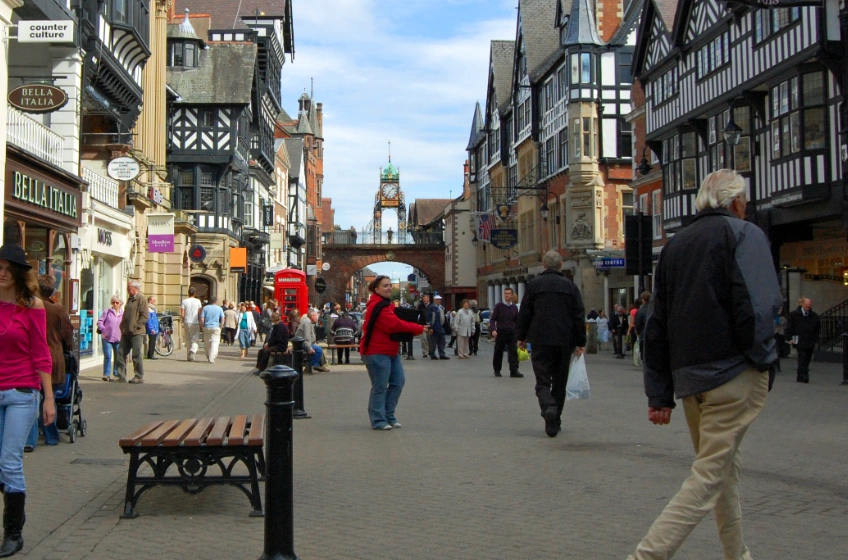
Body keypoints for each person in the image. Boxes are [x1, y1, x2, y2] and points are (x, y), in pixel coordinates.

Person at [627, 169, 782, 560]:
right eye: (744, 201)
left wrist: (660, 393)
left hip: (691, 381)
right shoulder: (745, 235)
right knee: (710, 476)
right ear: (736, 202)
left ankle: (737, 555)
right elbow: (761, 306)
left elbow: (656, 325)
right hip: (734, 373)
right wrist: (762, 357)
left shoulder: (676, 246)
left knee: (722, 474)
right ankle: (647, 555)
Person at [0, 244, 55, 557]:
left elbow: (41, 352)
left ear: (19, 273)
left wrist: (48, 399)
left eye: (9, 268)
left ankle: (13, 534)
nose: (3, 273)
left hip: (22, 391)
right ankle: (15, 516)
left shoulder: (32, 305)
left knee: (10, 460)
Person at [516, 251, 586, 437]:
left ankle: (548, 406)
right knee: (560, 381)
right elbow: (578, 315)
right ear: (561, 265)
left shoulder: (534, 285)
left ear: (544, 266)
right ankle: (555, 419)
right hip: (564, 340)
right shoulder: (570, 286)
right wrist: (581, 342)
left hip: (540, 339)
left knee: (543, 379)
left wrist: (521, 337)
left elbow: (525, 313)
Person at [359, 275, 425, 430]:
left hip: (391, 351)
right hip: (376, 352)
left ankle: (389, 415)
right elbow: (393, 325)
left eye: (389, 285)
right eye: (385, 285)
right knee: (380, 386)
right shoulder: (378, 306)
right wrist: (419, 328)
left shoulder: (387, 305)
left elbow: (399, 319)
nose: (388, 288)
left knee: (398, 382)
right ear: (376, 289)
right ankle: (378, 419)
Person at [26, 275, 72, 449]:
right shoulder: (56, 309)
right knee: (48, 397)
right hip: (52, 357)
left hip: (31, 357)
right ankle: (51, 436)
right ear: (52, 290)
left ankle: (29, 440)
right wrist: (68, 349)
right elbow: (67, 334)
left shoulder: (28, 305)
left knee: (33, 397)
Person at [115, 280, 148, 384]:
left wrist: (135, 326)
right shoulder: (130, 299)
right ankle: (121, 376)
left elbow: (144, 316)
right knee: (120, 353)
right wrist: (122, 325)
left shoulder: (141, 298)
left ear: (135, 288)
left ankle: (138, 376)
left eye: (129, 287)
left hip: (137, 332)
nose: (127, 289)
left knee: (136, 354)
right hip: (126, 332)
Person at [785, 297, 820, 384]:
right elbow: (789, 327)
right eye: (806, 307)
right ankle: (804, 375)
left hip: (810, 340)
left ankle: (800, 375)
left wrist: (815, 338)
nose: (808, 309)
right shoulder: (794, 315)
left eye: (809, 307)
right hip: (799, 339)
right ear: (801, 305)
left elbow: (817, 327)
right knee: (802, 356)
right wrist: (789, 338)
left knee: (807, 357)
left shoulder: (814, 315)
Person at [490, 287, 522, 377]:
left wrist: (519, 332)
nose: (506, 295)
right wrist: (493, 330)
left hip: (512, 332)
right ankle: (497, 370)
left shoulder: (514, 307)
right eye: (505, 293)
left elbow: (517, 321)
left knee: (513, 351)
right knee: (498, 351)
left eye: (508, 293)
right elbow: (493, 319)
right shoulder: (499, 306)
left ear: (512, 295)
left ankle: (514, 370)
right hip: (501, 331)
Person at [98, 296, 123, 381]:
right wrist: (103, 329)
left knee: (117, 357)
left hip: (118, 338)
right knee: (108, 356)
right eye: (113, 302)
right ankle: (106, 374)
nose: (115, 304)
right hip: (107, 338)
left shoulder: (123, 313)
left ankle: (116, 374)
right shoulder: (107, 311)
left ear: (120, 304)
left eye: (117, 303)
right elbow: (100, 321)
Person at [200, 296, 225, 364]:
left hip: (206, 326)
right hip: (216, 327)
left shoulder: (205, 308)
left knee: (207, 342)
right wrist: (221, 326)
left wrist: (202, 326)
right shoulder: (219, 308)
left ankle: (208, 355)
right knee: (215, 342)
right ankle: (212, 357)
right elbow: (222, 318)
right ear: (216, 301)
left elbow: (202, 318)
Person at [180, 287, 202, 361]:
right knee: (195, 339)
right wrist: (200, 321)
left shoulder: (184, 301)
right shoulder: (198, 301)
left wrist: (183, 321)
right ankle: (192, 351)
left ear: (188, 293)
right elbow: (200, 312)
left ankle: (188, 356)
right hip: (195, 322)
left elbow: (182, 313)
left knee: (188, 339)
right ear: (194, 293)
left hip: (187, 321)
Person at [427, 295, 449, 360]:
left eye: (440, 299)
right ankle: (432, 354)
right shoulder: (431, 307)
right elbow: (428, 318)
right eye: (438, 299)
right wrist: (430, 327)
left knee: (442, 341)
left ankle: (442, 354)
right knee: (433, 341)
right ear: (435, 300)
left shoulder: (441, 307)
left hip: (441, 326)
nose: (439, 300)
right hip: (434, 326)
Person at [633, 291, 651, 367]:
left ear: (643, 299)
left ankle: (646, 364)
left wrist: (637, 331)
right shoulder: (655, 307)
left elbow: (638, 322)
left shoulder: (641, 310)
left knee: (644, 350)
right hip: (654, 333)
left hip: (644, 333)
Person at [146, 296, 160, 360]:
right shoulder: (149, 309)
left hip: (155, 327)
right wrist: (151, 328)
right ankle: (150, 355)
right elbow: (149, 320)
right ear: (150, 301)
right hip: (152, 329)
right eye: (154, 300)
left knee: (153, 341)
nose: (155, 302)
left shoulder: (153, 309)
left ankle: (150, 354)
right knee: (152, 341)